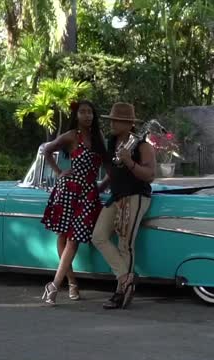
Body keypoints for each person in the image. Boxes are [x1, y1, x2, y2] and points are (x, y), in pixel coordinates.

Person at [40, 100, 107, 306]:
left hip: (88, 193)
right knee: (63, 236)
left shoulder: (98, 138)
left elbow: (109, 168)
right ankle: (71, 283)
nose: (87, 116)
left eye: (90, 112)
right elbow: (46, 150)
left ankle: (53, 286)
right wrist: (60, 173)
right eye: (83, 112)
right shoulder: (71, 136)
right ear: (76, 115)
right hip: (69, 190)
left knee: (73, 239)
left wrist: (100, 187)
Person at [92, 102, 156, 310]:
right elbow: (113, 173)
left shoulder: (142, 146)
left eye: (117, 120)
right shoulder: (111, 142)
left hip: (136, 196)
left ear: (129, 124)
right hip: (117, 195)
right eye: (112, 120)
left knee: (125, 243)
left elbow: (150, 176)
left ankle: (121, 292)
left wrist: (129, 162)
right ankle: (125, 277)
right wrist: (100, 188)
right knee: (98, 236)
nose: (112, 124)